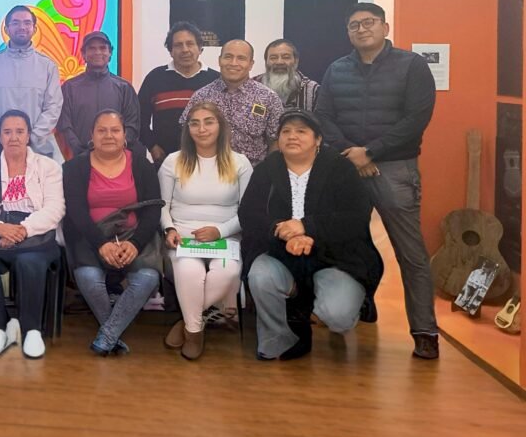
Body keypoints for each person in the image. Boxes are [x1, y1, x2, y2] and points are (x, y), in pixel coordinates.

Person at [315, 2, 439, 359]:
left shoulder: (411, 66)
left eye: (368, 22)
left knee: (410, 253)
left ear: (385, 27)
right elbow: (323, 116)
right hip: (345, 167)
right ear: (348, 33)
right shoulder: (337, 69)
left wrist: (371, 152)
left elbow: (417, 118)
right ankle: (359, 299)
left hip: (395, 168)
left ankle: (425, 331)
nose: (362, 29)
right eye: (354, 25)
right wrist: (351, 153)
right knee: (343, 242)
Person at [239, 110, 383, 360]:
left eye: (301, 131)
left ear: (318, 139)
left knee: (338, 316)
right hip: (279, 252)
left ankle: (322, 303)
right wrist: (283, 232)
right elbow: (249, 214)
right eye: (286, 131)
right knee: (260, 276)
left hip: (333, 256)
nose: (292, 136)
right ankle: (280, 337)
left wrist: (308, 227)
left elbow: (356, 216)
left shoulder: (340, 168)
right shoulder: (266, 169)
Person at [0, 110, 65, 359]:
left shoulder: (48, 167)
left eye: (19, 131)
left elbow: (55, 209)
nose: (14, 137)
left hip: (37, 233)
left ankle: (31, 330)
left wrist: (22, 230)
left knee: (30, 261)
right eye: (7, 132)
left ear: (28, 136)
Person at [62, 110, 163, 355]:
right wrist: (101, 244)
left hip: (133, 236)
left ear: (125, 134)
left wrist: (136, 243)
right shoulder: (75, 167)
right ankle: (111, 335)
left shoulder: (141, 164)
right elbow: (76, 212)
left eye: (115, 130)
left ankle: (107, 335)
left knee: (148, 277)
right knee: (88, 277)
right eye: (102, 130)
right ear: (92, 135)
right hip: (90, 236)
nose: (109, 135)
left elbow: (153, 210)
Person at [160, 102, 252, 359]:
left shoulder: (240, 163)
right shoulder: (173, 161)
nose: (202, 129)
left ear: (221, 126)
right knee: (190, 272)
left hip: (226, 236)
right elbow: (162, 205)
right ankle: (194, 333)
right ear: (187, 129)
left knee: (228, 273)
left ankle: (187, 322)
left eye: (209, 122)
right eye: (195, 123)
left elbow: (247, 212)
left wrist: (220, 231)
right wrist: (169, 229)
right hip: (183, 237)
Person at [0, 5, 63, 161]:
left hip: (39, 150)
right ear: (6, 29)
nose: (22, 27)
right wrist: (3, 136)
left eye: (27, 23)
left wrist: (32, 137)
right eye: (15, 23)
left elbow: (53, 107)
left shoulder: (48, 66)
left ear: (34, 29)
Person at [181, 39, 284, 165]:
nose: (233, 63)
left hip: (255, 172)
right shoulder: (201, 97)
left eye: (241, 58)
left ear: (251, 64)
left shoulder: (268, 98)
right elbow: (186, 134)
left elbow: (276, 141)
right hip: (209, 171)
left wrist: (269, 171)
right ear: (219, 60)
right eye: (228, 57)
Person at [138, 21, 220, 165]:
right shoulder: (155, 78)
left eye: (190, 44)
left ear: (200, 48)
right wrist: (152, 146)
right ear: (170, 51)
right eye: (178, 45)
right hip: (165, 161)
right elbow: (139, 119)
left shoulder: (216, 80)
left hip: (209, 161)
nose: (185, 50)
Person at [57, 31, 141, 156]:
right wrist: (80, 151)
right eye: (92, 48)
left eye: (102, 48)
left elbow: (132, 125)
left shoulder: (124, 88)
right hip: (78, 158)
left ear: (110, 53)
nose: (97, 52)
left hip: (116, 158)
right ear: (83, 54)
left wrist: (113, 148)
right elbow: (64, 125)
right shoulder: (69, 88)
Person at [254, 39, 320, 111]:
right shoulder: (253, 86)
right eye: (273, 58)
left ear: (296, 61)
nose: (279, 62)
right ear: (266, 61)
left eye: (286, 57)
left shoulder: (313, 90)